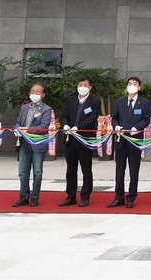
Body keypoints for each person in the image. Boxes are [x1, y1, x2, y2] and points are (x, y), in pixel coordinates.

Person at [108, 77, 151, 208]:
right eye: (130, 83)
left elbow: (146, 119)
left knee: (134, 170)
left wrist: (137, 128)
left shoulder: (144, 102)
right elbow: (114, 118)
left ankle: (131, 198)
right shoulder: (120, 102)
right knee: (119, 170)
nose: (132, 85)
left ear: (139, 87)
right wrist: (116, 126)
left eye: (135, 84)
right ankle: (118, 197)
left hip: (134, 140)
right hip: (121, 140)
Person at [59, 76, 99, 207]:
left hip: (84, 139)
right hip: (70, 139)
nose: (82, 87)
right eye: (80, 84)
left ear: (90, 87)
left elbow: (93, 118)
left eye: (85, 85)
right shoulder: (71, 99)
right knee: (71, 169)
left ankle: (85, 196)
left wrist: (78, 127)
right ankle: (71, 196)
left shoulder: (94, 101)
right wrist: (65, 125)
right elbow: (63, 115)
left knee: (86, 169)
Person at [12, 83, 52, 207]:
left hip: (37, 143)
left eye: (37, 92)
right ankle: (23, 196)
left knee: (37, 171)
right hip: (24, 143)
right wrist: (18, 129)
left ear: (43, 95)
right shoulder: (24, 108)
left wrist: (27, 130)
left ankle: (35, 196)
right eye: (32, 92)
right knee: (23, 172)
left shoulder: (46, 109)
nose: (34, 94)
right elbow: (18, 122)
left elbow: (43, 126)